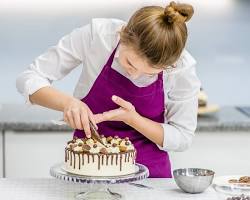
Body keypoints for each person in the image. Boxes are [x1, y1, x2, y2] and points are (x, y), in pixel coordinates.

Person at [16, 1, 201, 178]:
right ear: (122, 36)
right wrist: (68, 103)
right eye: (130, 63)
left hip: (152, 178)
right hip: (88, 170)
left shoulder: (182, 67)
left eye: (149, 73)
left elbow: (183, 136)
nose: (134, 75)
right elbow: (29, 78)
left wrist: (133, 119)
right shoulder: (99, 35)